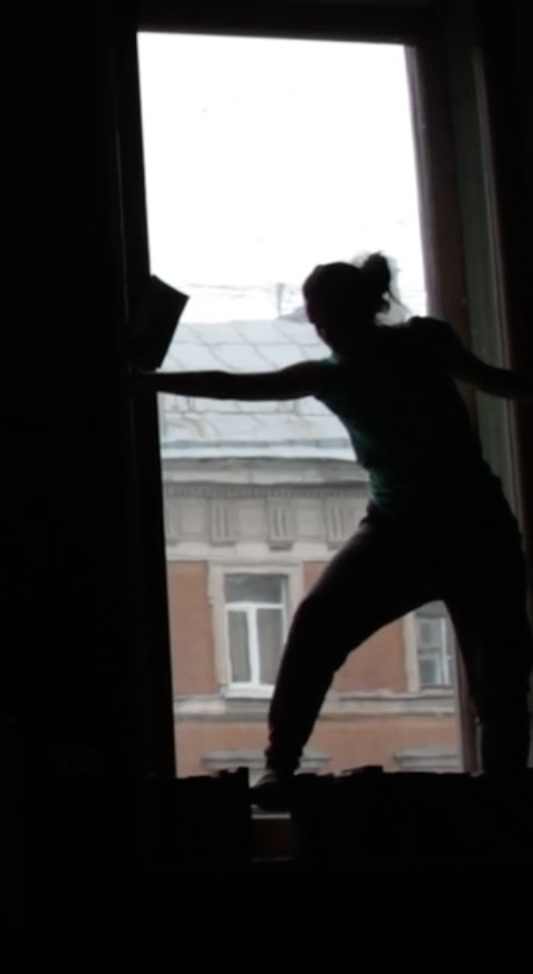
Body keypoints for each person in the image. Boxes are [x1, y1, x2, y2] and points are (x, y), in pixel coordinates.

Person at [136, 253, 533, 804]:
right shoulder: (334, 374)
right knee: (318, 625)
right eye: (316, 321)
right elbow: (234, 385)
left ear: (362, 310)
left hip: (467, 530)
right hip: (413, 528)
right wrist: (145, 383)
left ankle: (504, 795)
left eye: (328, 319)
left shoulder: (418, 344)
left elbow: (493, 380)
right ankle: (280, 767)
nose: (323, 331)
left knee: (498, 672)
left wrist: (143, 382)